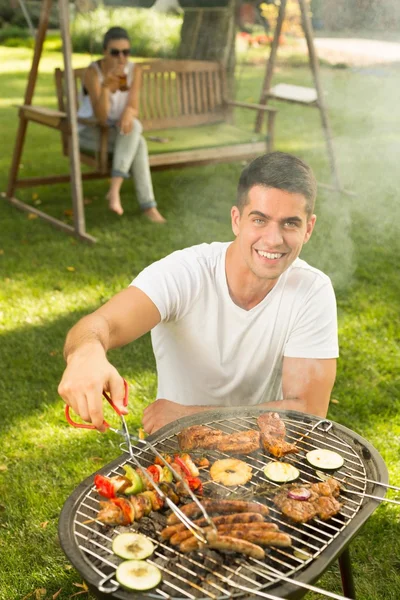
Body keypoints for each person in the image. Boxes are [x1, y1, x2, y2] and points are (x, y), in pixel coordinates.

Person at [58, 152, 338, 434]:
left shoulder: (312, 290)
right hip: (177, 448)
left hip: (263, 450)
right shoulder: (185, 273)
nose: (274, 239)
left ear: (308, 229)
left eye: (290, 223)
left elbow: (308, 411)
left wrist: (190, 417)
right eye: (259, 220)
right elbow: (100, 324)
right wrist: (86, 354)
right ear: (236, 220)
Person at [77, 26, 165, 222]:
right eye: (115, 52)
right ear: (105, 52)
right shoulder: (93, 73)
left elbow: (133, 105)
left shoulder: (134, 71)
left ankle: (115, 190)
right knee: (138, 140)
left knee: (135, 131)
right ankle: (148, 207)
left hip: (118, 132)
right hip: (90, 132)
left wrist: (128, 112)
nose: (121, 58)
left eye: (126, 52)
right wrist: (106, 89)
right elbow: (101, 117)